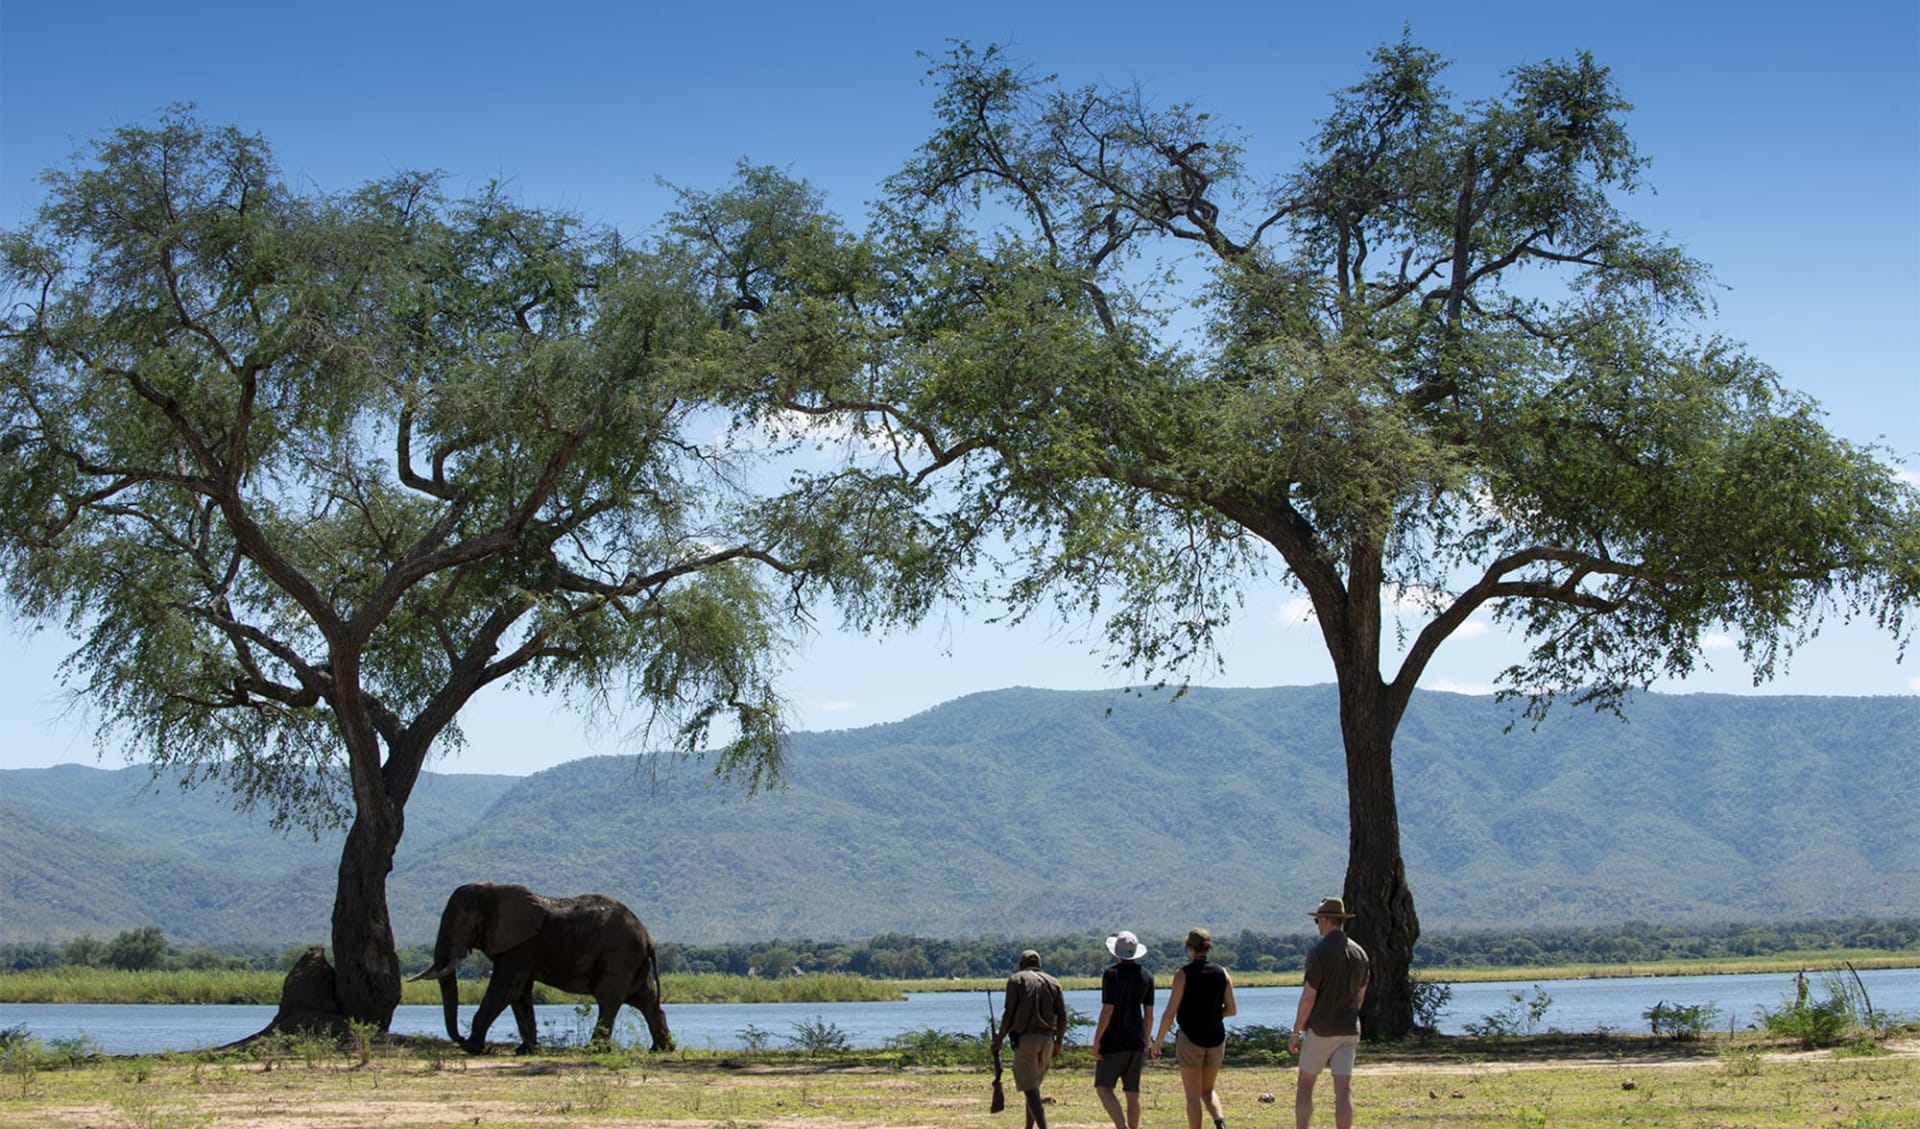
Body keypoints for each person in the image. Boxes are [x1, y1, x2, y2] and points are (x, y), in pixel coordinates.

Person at [1289, 897, 1369, 1129]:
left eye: (1317, 921)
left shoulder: (1319, 952)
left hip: (1322, 1029)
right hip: (1349, 1029)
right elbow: (1361, 995)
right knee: (1343, 1089)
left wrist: (1296, 1031)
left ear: (1324, 920)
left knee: (1305, 1084)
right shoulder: (1360, 953)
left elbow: (1308, 997)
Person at [1153, 927, 1238, 1129]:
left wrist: (1158, 1041)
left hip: (1191, 1038)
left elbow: (1170, 1012)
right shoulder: (1222, 973)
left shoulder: (1182, 974)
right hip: (1216, 1038)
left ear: (1190, 948)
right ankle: (1220, 1123)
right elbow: (1232, 1010)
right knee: (1207, 1091)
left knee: (1192, 1096)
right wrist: (1213, 1015)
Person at [993, 948, 1067, 1129]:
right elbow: (1063, 1016)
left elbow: (1009, 1014)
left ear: (1021, 964)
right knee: (1033, 1088)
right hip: (1048, 1041)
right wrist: (1058, 1041)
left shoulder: (1016, 980)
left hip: (1026, 1041)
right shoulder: (1053, 982)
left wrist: (999, 1039)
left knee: (1030, 1090)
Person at [1092, 929, 1155, 1129]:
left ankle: (1122, 1126)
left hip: (1114, 1039)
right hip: (1136, 1039)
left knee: (1103, 1087)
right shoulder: (1146, 976)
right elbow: (1149, 1013)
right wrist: (1146, 1040)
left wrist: (1097, 1039)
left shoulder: (1111, 974)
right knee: (1132, 1092)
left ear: (1116, 953)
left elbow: (1108, 1010)